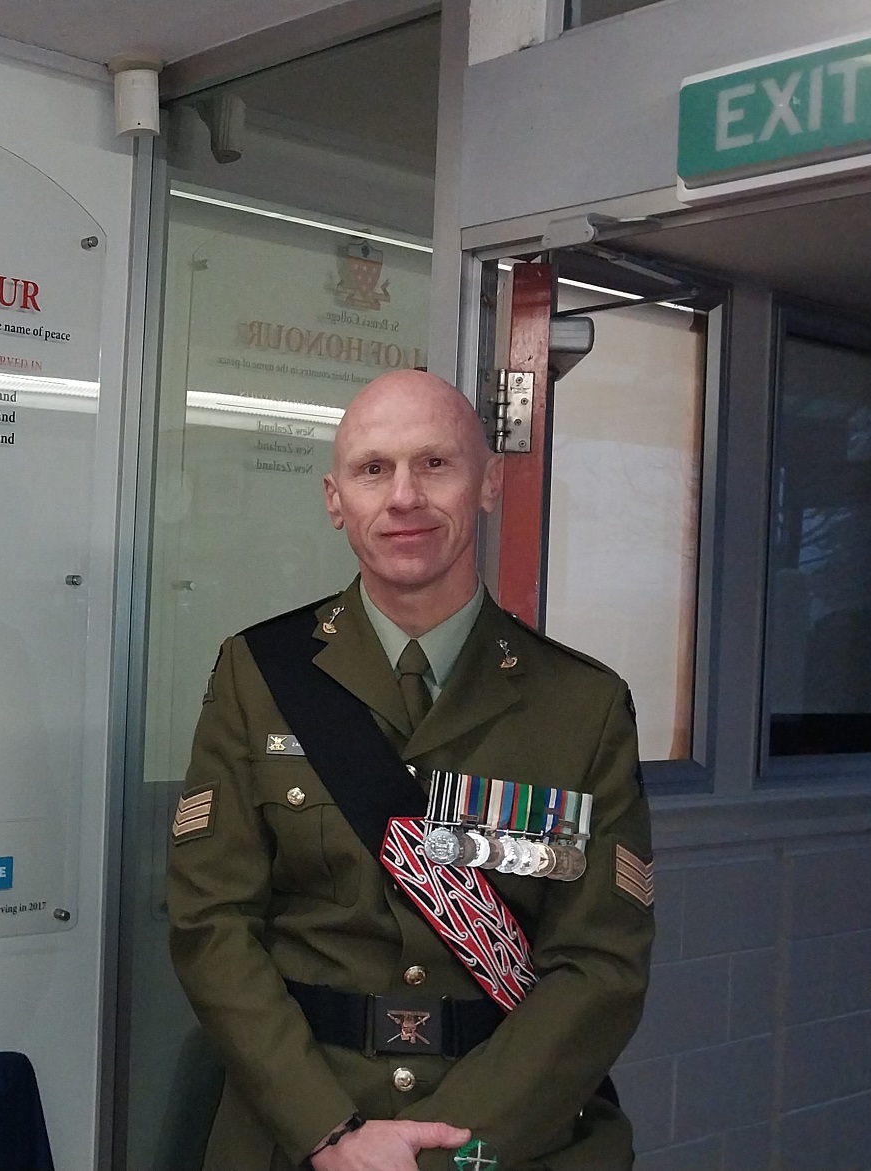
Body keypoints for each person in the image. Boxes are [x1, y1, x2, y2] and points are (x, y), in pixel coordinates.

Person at [166, 370, 655, 1171]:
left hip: (510, 1137)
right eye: (372, 469)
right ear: (334, 499)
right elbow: (210, 924)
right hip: (299, 1133)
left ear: (487, 480)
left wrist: (445, 1149)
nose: (403, 496)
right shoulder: (258, 675)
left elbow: (599, 965)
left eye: (434, 464)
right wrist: (329, 1131)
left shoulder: (581, 705)